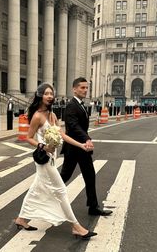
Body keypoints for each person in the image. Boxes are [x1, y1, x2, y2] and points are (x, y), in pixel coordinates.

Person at [14, 82, 97, 240]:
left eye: (51, 93)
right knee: (61, 190)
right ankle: (76, 226)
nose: (50, 96)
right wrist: (42, 146)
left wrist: (81, 145)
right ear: (40, 95)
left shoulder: (52, 115)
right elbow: (28, 138)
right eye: (46, 93)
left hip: (52, 157)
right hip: (44, 159)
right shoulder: (37, 116)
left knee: (36, 188)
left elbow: (62, 136)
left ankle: (21, 219)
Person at [60, 77, 113, 216]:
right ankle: (45, 198)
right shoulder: (71, 105)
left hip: (83, 148)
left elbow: (79, 126)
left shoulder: (81, 104)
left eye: (86, 88)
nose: (85, 90)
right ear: (74, 89)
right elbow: (73, 126)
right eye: (82, 87)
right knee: (64, 177)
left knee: (90, 175)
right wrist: (87, 138)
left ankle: (93, 207)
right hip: (73, 148)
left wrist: (86, 140)